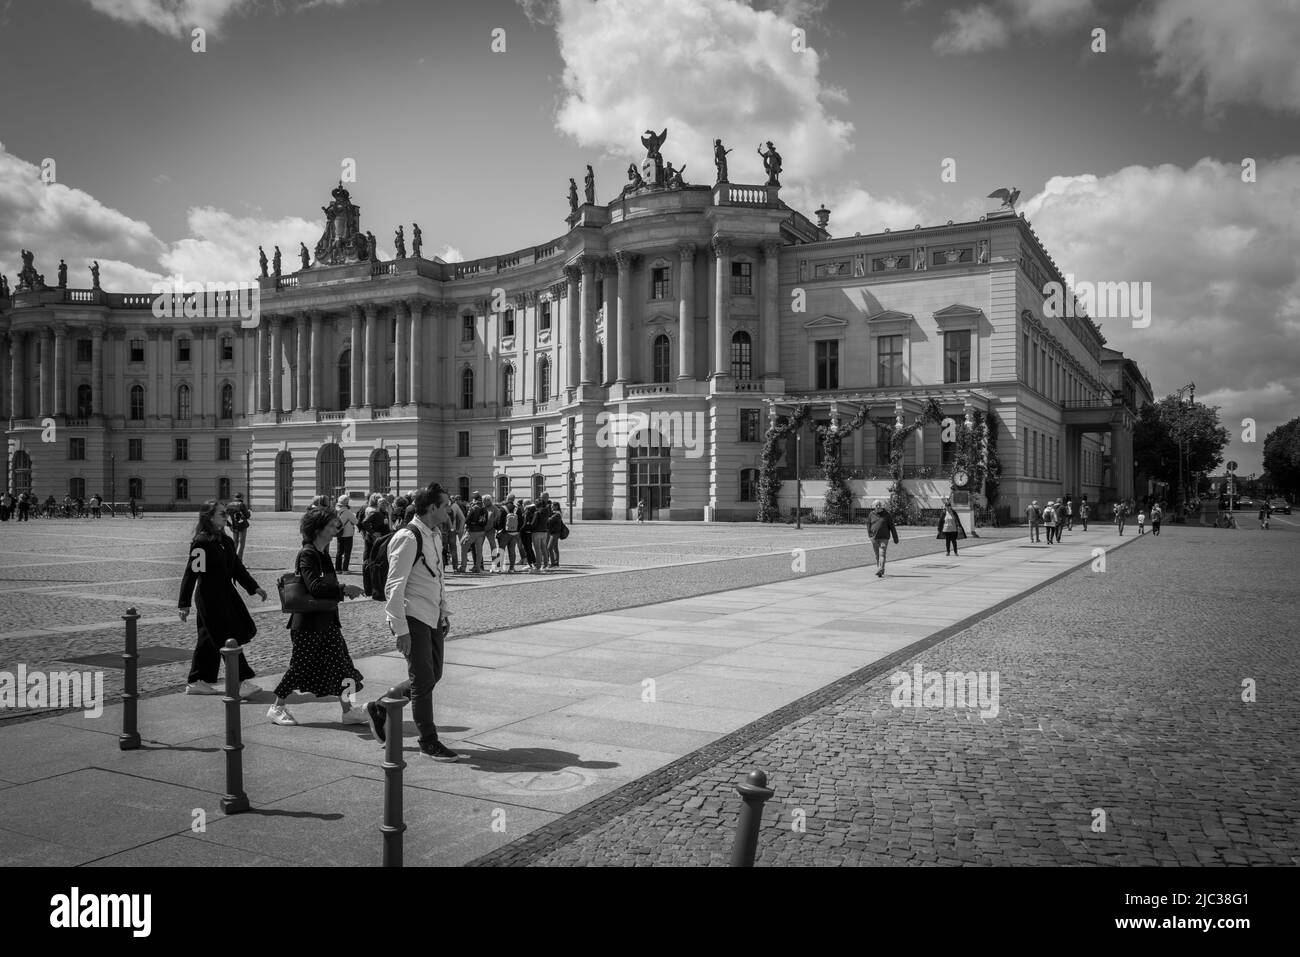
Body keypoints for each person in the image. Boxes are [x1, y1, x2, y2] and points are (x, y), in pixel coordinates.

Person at [366, 483, 464, 762]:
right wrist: (400, 629)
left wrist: (443, 611)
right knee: (422, 681)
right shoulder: (408, 537)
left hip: (431, 616)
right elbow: (394, 587)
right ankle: (428, 740)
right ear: (432, 507)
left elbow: (438, 578)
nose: (449, 508)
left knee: (433, 675)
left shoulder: (433, 534)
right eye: (445, 505)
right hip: (413, 617)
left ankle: (381, 706)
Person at [267, 506, 368, 726]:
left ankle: (348, 710)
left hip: (328, 621)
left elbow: (325, 586)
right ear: (319, 528)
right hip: (309, 624)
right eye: (332, 525)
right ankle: (276, 707)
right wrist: (343, 589)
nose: (336, 528)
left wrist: (341, 591)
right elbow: (315, 587)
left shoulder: (322, 554)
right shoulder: (308, 554)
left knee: (343, 667)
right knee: (299, 667)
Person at [178, 500, 267, 697]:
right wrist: (184, 603)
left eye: (226, 512)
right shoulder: (201, 541)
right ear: (209, 517)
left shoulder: (224, 540)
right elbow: (192, 573)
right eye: (221, 513)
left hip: (226, 594)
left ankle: (196, 681)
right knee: (227, 637)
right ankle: (239, 681)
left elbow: (237, 568)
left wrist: (254, 587)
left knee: (208, 640)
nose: (226, 516)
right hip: (209, 598)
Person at [866, 499, 899, 578]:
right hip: (874, 538)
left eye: (879, 505)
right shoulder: (871, 514)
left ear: (881, 506)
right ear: (874, 506)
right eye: (876, 505)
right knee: (877, 554)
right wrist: (870, 535)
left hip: (884, 538)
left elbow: (892, 527)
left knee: (882, 553)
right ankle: (879, 569)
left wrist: (895, 538)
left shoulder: (887, 515)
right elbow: (868, 524)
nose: (878, 506)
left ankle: (881, 568)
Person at [462, 493, 488, 573]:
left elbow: (467, 520)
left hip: (472, 531)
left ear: (474, 500)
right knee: (479, 550)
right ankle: (477, 567)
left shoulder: (473, 508)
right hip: (481, 531)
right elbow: (486, 521)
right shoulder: (484, 509)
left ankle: (463, 567)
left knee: (463, 547)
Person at [334, 495, 358, 572]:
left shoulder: (336, 511)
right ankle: (345, 569)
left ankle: (337, 568)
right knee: (347, 552)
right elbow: (356, 521)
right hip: (348, 534)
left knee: (339, 552)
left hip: (339, 533)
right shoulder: (347, 512)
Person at [528, 499, 549, 572]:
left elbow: (533, 523)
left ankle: (538, 567)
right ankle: (546, 565)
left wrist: (529, 525)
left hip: (537, 532)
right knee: (544, 549)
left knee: (537, 550)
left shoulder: (537, 513)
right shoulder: (546, 512)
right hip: (544, 532)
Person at [227, 493, 250, 558]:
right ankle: (239, 562)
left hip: (234, 525)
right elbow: (247, 516)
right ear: (241, 497)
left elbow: (224, 517)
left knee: (235, 543)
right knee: (241, 543)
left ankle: (233, 560)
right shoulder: (242, 505)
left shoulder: (229, 505)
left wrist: (229, 525)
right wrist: (248, 512)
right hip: (242, 525)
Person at [499, 500, 520, 572]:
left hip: (504, 533)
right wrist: (517, 530)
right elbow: (521, 520)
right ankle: (511, 568)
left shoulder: (502, 509)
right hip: (514, 533)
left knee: (501, 550)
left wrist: (499, 529)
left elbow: (499, 521)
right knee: (512, 550)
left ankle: (500, 568)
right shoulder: (517, 509)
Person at [545, 501, 564, 568]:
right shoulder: (555, 513)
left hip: (555, 533)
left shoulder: (557, 514)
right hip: (554, 532)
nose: (551, 507)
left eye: (552, 506)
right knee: (555, 548)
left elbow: (550, 520)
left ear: (556, 506)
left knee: (549, 548)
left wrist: (545, 517)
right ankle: (556, 562)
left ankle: (553, 563)